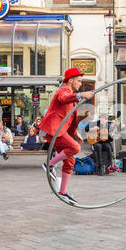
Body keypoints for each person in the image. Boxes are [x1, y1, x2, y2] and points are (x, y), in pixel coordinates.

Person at [39, 67, 94, 204]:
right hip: (54, 130)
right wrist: (81, 95)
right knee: (75, 148)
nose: (80, 84)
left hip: (60, 131)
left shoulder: (73, 98)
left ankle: (63, 192)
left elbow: (69, 120)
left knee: (70, 161)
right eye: (79, 81)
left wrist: (76, 134)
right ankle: (49, 164)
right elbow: (63, 99)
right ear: (71, 80)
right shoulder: (64, 90)